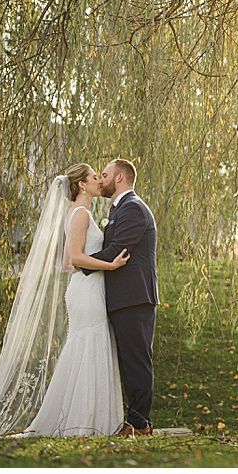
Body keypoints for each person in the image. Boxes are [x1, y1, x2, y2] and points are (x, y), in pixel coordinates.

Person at [0, 164, 130, 440]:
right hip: (87, 290)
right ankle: (84, 421)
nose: (98, 181)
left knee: (84, 346)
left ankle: (83, 417)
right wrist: (112, 265)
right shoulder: (80, 213)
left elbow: (67, 262)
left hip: (85, 288)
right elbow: (78, 259)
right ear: (82, 185)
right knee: (90, 344)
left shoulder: (77, 213)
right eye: (94, 177)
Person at [80, 158, 160, 436]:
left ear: (119, 178)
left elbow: (117, 250)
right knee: (129, 360)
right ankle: (135, 420)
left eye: (104, 175)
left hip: (134, 298)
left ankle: (140, 424)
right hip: (123, 298)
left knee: (137, 360)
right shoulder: (120, 209)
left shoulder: (133, 209)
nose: (100, 180)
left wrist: (80, 263)